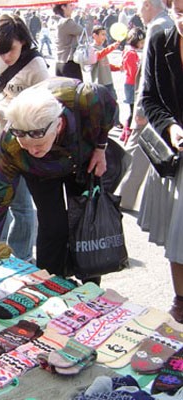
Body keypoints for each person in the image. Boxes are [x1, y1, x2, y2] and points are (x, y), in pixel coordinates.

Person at [0, 77, 120, 294]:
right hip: (41, 173)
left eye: (38, 144)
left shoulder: (87, 98)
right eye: (26, 146)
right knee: (51, 225)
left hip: (82, 158)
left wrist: (100, 148)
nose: (33, 150)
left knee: (87, 222)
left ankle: (91, 287)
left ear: (58, 124)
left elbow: (109, 112)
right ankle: (50, 287)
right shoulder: (11, 146)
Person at [0, 13, 50, 261]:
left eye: (8, 50)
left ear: (22, 39)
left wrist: (2, 110)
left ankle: (20, 257)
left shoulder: (37, 67)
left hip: (24, 141)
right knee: (0, 198)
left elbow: (41, 111)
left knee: (21, 204)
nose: (5, 57)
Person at [137, 0, 183, 322]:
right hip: (176, 156)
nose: (182, 19)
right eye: (179, 12)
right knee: (178, 236)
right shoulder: (159, 37)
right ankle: (181, 302)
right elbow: (149, 98)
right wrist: (171, 126)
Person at [116, 0, 173, 210]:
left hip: (152, 105)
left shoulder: (159, 26)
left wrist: (140, 109)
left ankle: (120, 196)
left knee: (134, 150)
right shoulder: (166, 23)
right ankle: (124, 196)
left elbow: (148, 75)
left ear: (148, 4)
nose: (138, 12)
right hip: (163, 105)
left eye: (139, 6)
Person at [90, 25, 122, 128]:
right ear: (95, 36)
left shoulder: (102, 48)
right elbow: (98, 55)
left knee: (114, 103)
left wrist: (118, 67)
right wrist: (112, 47)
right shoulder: (91, 49)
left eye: (105, 34)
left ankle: (115, 122)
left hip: (108, 81)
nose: (104, 37)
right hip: (99, 83)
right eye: (102, 34)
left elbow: (106, 65)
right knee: (100, 107)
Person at [119, 27, 145, 143]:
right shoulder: (131, 53)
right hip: (132, 84)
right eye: (141, 42)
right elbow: (133, 71)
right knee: (133, 110)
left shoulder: (129, 51)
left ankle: (125, 132)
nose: (142, 44)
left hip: (130, 83)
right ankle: (127, 133)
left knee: (132, 109)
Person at [53, 2, 84, 81]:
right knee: (76, 91)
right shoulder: (66, 22)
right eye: (70, 5)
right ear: (63, 7)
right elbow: (83, 31)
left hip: (59, 62)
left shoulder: (55, 20)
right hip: (69, 61)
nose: (72, 8)